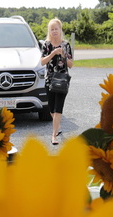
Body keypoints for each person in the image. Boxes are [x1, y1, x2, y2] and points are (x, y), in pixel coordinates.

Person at [40, 18, 74, 146]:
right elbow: (42, 62)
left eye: (56, 29)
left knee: (58, 108)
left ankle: (53, 135)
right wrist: (53, 53)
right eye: (52, 29)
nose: (54, 31)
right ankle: (57, 128)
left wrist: (64, 55)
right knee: (51, 108)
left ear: (60, 30)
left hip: (62, 79)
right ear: (49, 31)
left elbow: (71, 65)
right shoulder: (46, 45)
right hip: (49, 79)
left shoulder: (66, 45)